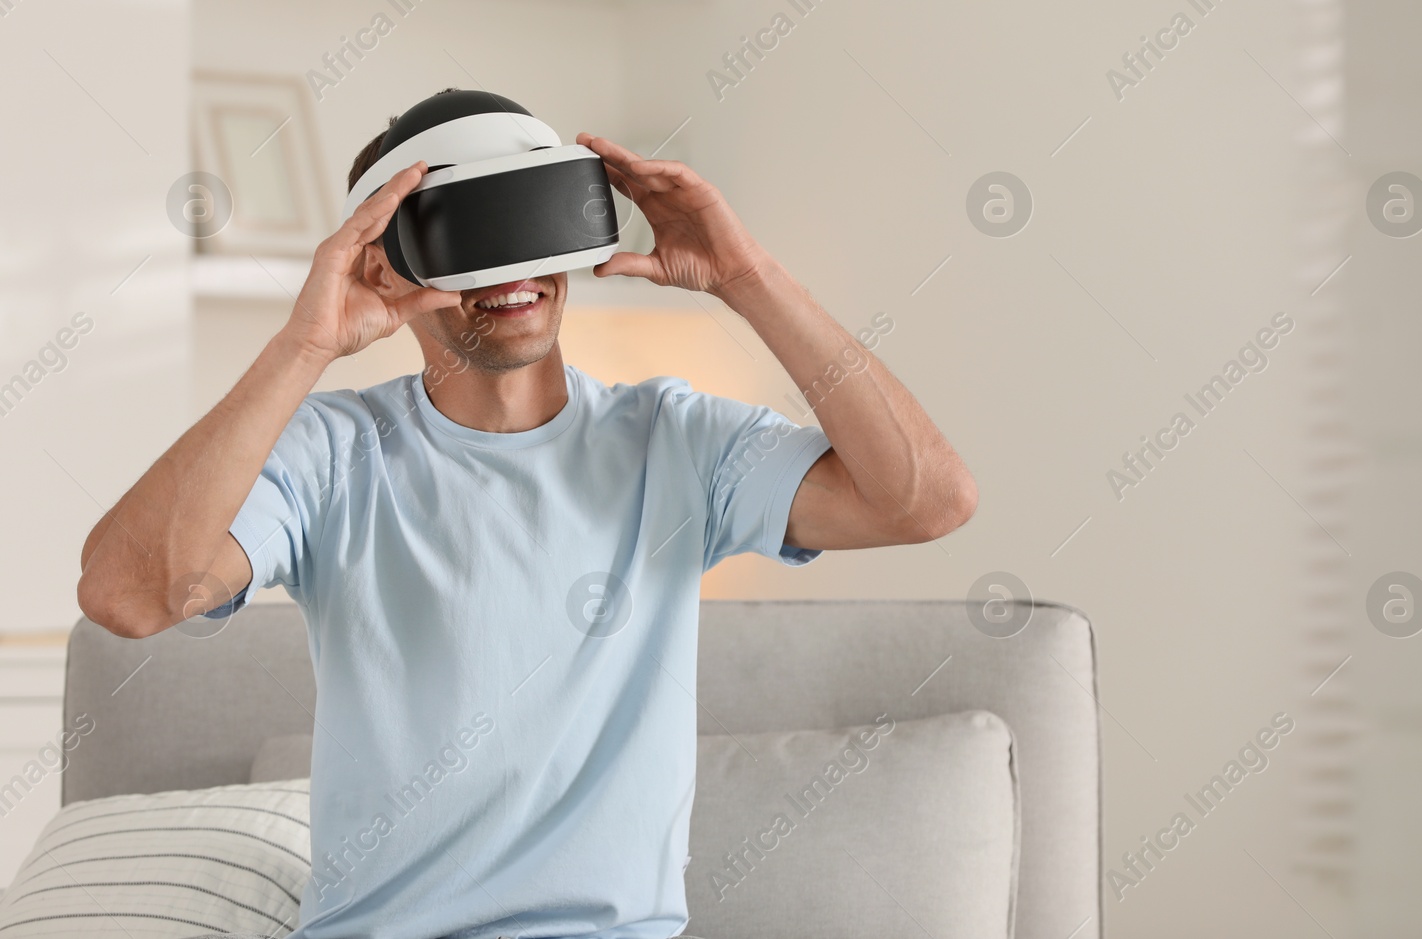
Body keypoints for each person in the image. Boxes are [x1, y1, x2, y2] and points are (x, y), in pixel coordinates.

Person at [76, 99, 978, 939]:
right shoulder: (330, 452)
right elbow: (128, 595)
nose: (509, 271)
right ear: (385, 260)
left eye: (526, 226)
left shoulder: (677, 439)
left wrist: (747, 275)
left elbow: (927, 500)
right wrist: (305, 344)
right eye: (470, 239)